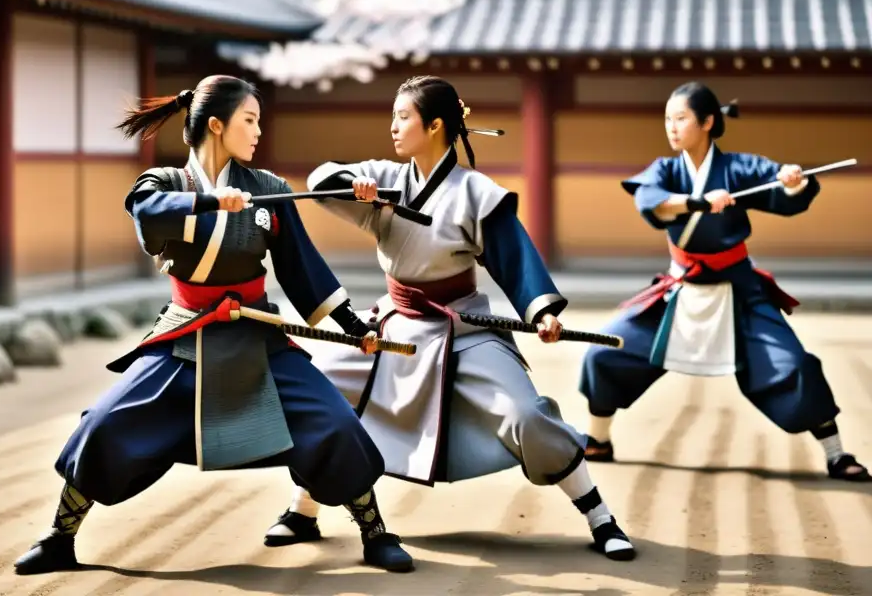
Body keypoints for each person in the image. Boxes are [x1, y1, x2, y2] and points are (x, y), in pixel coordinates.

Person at [13, 75, 414, 576]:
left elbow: (302, 269)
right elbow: (147, 213)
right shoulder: (164, 183)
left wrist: (353, 324)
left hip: (256, 334)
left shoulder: (268, 190)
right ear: (218, 125)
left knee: (331, 420)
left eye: (260, 122)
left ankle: (374, 531)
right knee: (105, 424)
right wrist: (208, 202)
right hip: (187, 334)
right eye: (250, 120)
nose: (258, 132)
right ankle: (60, 536)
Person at [263, 75, 636, 561]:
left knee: (524, 415)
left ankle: (599, 515)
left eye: (403, 117)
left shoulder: (474, 192)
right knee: (322, 394)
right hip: (395, 325)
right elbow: (319, 181)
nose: (393, 127)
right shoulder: (386, 178)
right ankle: (304, 509)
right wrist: (355, 187)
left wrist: (541, 309)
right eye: (393, 116)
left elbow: (514, 258)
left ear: (435, 125)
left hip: (464, 329)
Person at [578, 81, 869, 483]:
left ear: (708, 122)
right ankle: (598, 440)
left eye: (680, 118)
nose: (671, 127)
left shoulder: (739, 169)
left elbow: (784, 191)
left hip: (739, 290)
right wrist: (698, 201)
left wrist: (793, 180)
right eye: (667, 119)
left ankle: (836, 454)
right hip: (679, 289)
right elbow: (652, 202)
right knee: (606, 351)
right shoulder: (666, 170)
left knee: (795, 364)